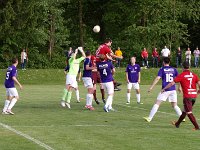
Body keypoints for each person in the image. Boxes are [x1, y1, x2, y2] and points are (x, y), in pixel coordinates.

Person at [161, 61, 200, 130]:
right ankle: (177, 124)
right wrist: (199, 91)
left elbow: (172, 83)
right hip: (194, 96)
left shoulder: (182, 75)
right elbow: (199, 83)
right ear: (189, 67)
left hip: (187, 96)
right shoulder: (194, 75)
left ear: (182, 67)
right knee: (184, 111)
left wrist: (164, 88)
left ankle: (197, 126)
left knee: (189, 112)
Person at [143, 57, 182, 122]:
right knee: (174, 105)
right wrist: (179, 87)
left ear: (163, 62)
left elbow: (158, 78)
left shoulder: (162, 69)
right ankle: (182, 117)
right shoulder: (173, 69)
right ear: (169, 62)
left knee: (157, 103)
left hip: (165, 89)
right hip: (173, 89)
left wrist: (151, 87)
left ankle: (149, 118)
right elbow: (179, 78)